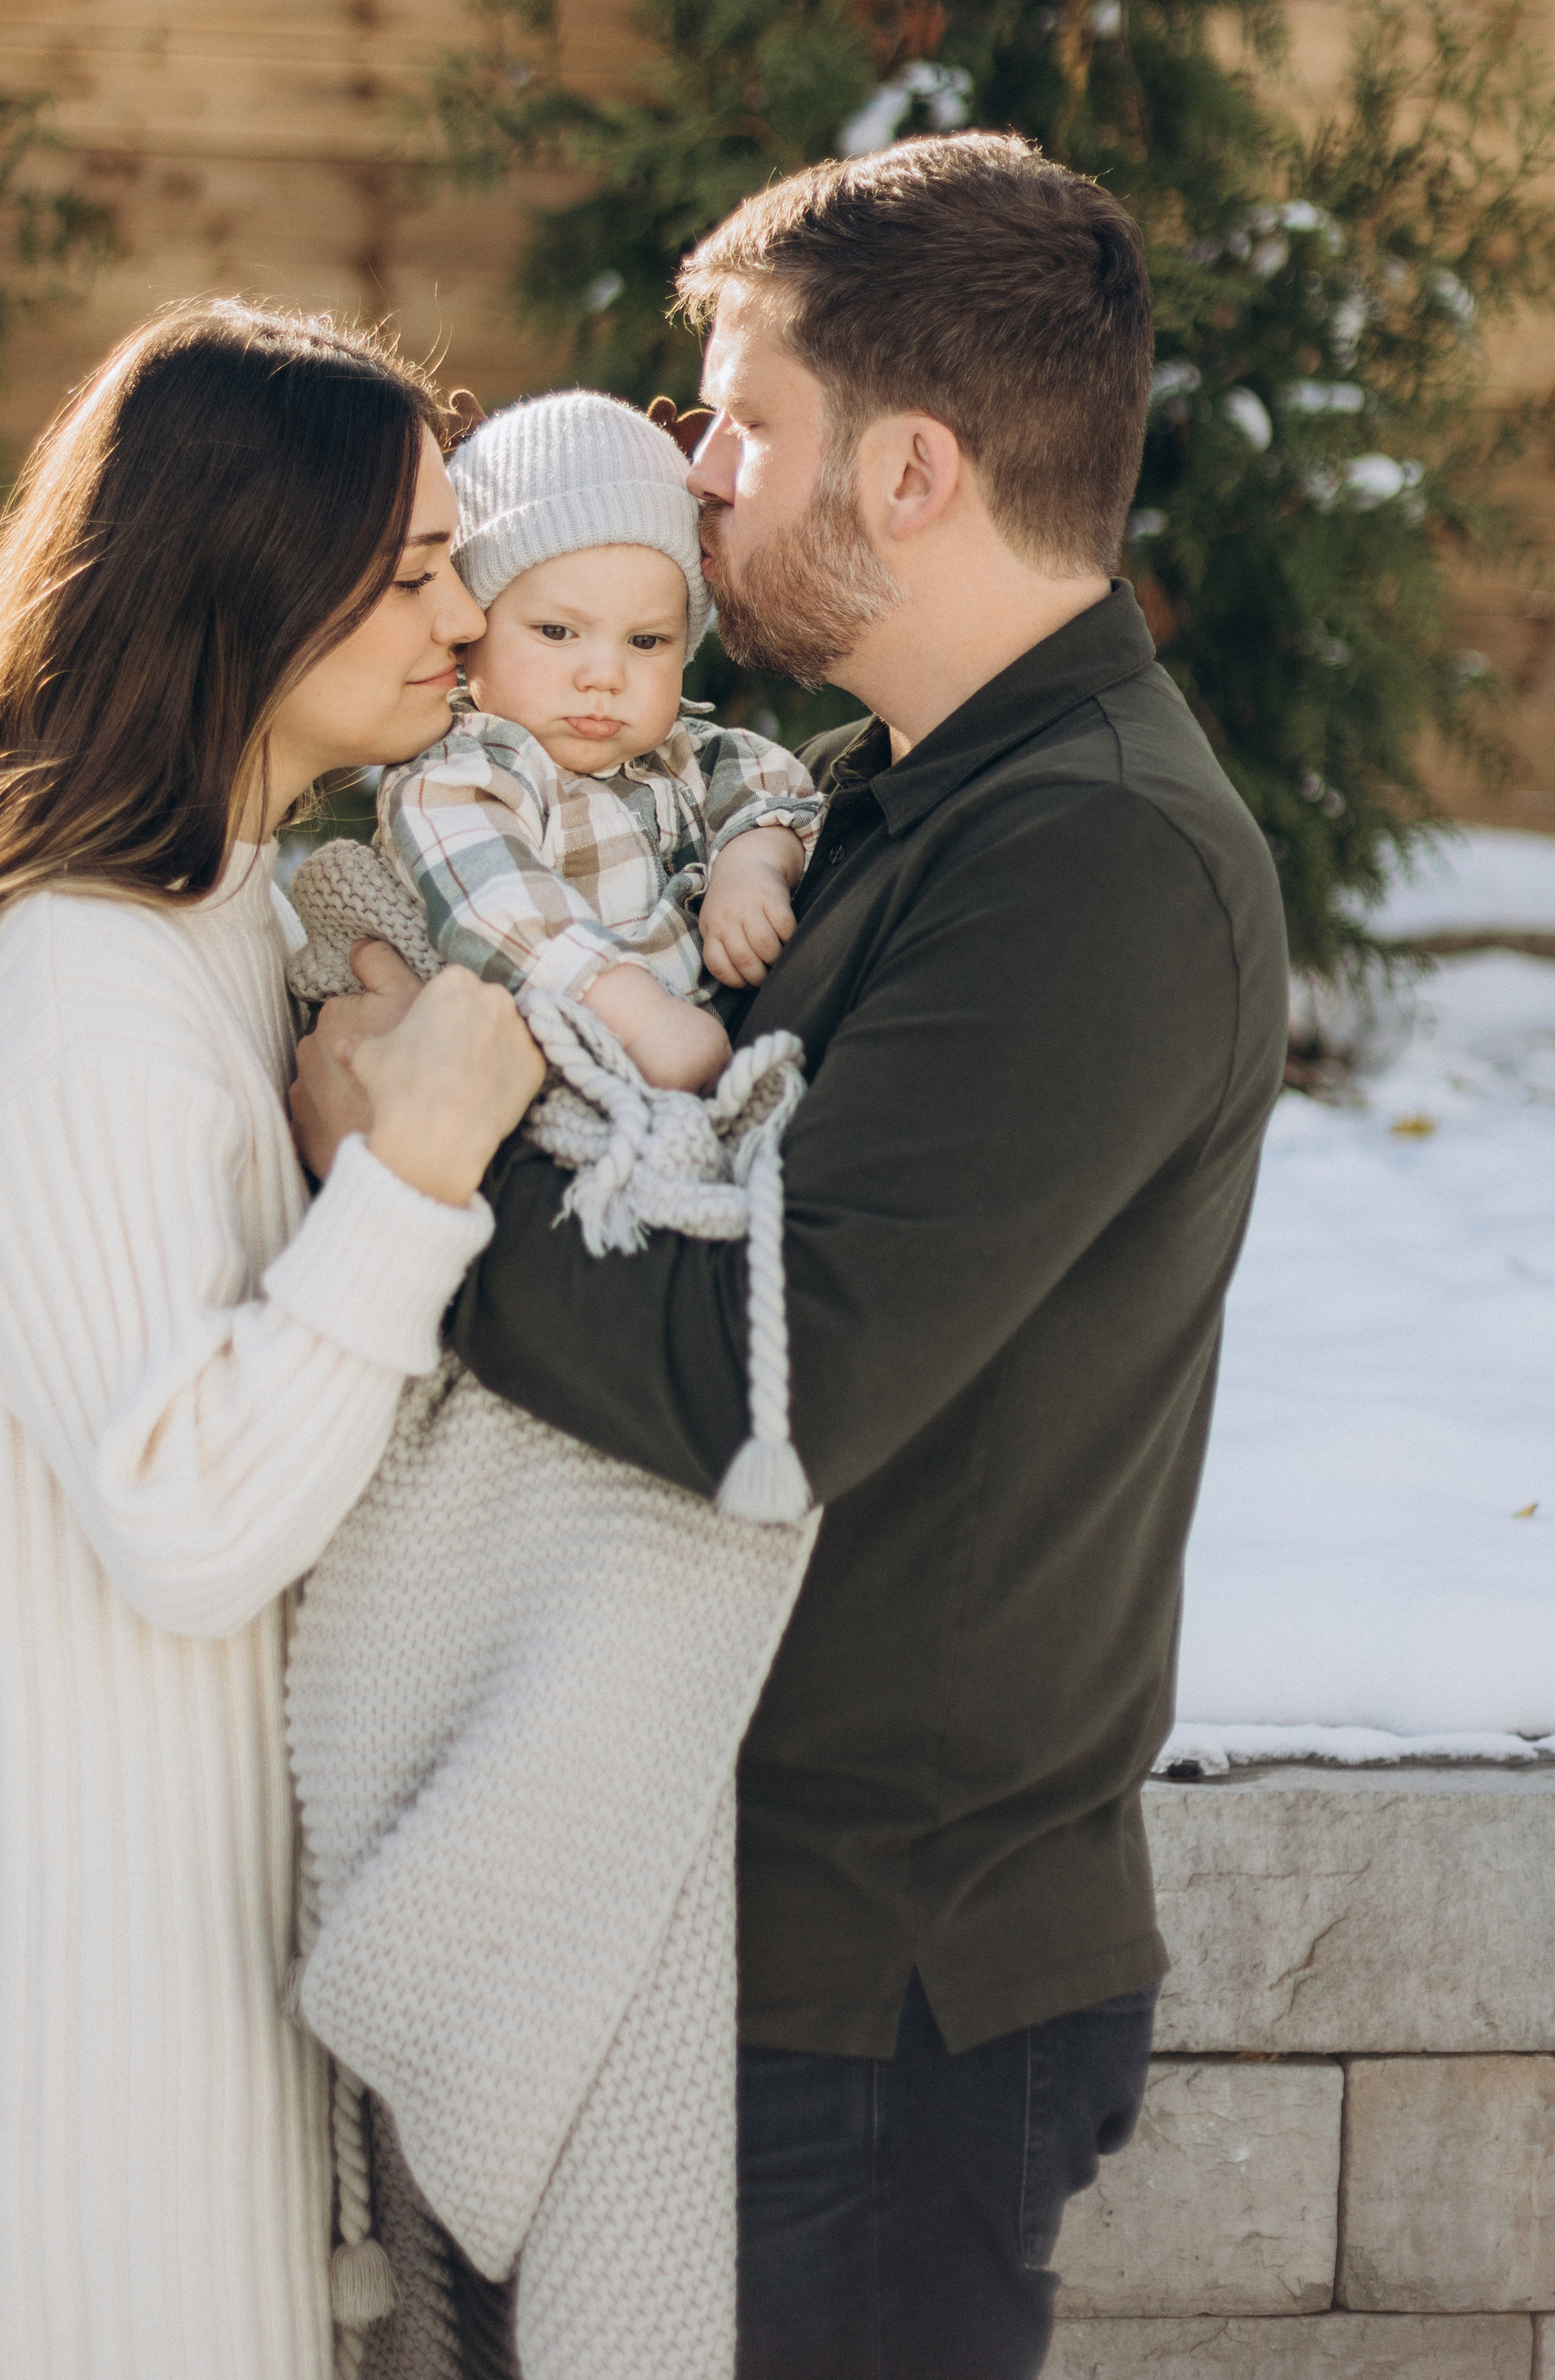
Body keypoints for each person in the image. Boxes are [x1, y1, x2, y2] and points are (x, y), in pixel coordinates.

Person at [290, 135, 1292, 2380]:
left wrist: (413, 1171)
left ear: (914, 470)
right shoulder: (868, 795)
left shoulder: (1099, 864)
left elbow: (773, 1388)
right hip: (716, 1949)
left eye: (743, 420)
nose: (696, 469)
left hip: (875, 1998)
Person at [0, 302, 542, 2380]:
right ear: (244, 569)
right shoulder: (81, 1001)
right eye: (409, 568)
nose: (467, 607)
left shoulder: (216, 924)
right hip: (66, 2080)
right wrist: (410, 1180)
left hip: (177, 2002)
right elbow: (192, 1523)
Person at [378, 386, 821, 1092]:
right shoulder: (464, 773)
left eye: (647, 641)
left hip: (689, 1076)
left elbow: (774, 786)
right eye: (557, 632)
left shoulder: (687, 755)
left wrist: (751, 867)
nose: (605, 676)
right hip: (547, 1076)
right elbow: (497, 903)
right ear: (472, 633)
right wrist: (640, 1018)